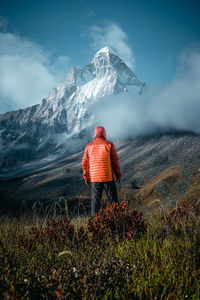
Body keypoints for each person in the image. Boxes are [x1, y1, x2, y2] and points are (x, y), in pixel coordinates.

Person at [82, 126, 122, 217]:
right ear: (104, 134)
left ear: (95, 134)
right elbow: (115, 161)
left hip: (95, 179)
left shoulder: (88, 147)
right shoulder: (109, 145)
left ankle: (95, 225)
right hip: (108, 178)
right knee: (113, 201)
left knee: (95, 203)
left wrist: (86, 177)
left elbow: (84, 163)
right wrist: (118, 175)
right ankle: (117, 221)